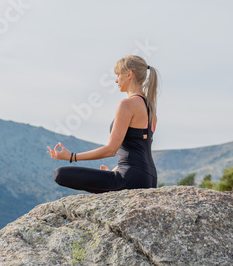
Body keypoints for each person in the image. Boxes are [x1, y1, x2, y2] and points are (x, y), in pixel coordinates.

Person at [47, 55, 159, 193]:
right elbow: (139, 149)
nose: (116, 80)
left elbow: (111, 150)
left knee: (60, 174)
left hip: (130, 177)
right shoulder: (151, 110)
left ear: (129, 74)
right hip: (150, 178)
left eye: (118, 75)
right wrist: (113, 172)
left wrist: (71, 157)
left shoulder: (127, 105)